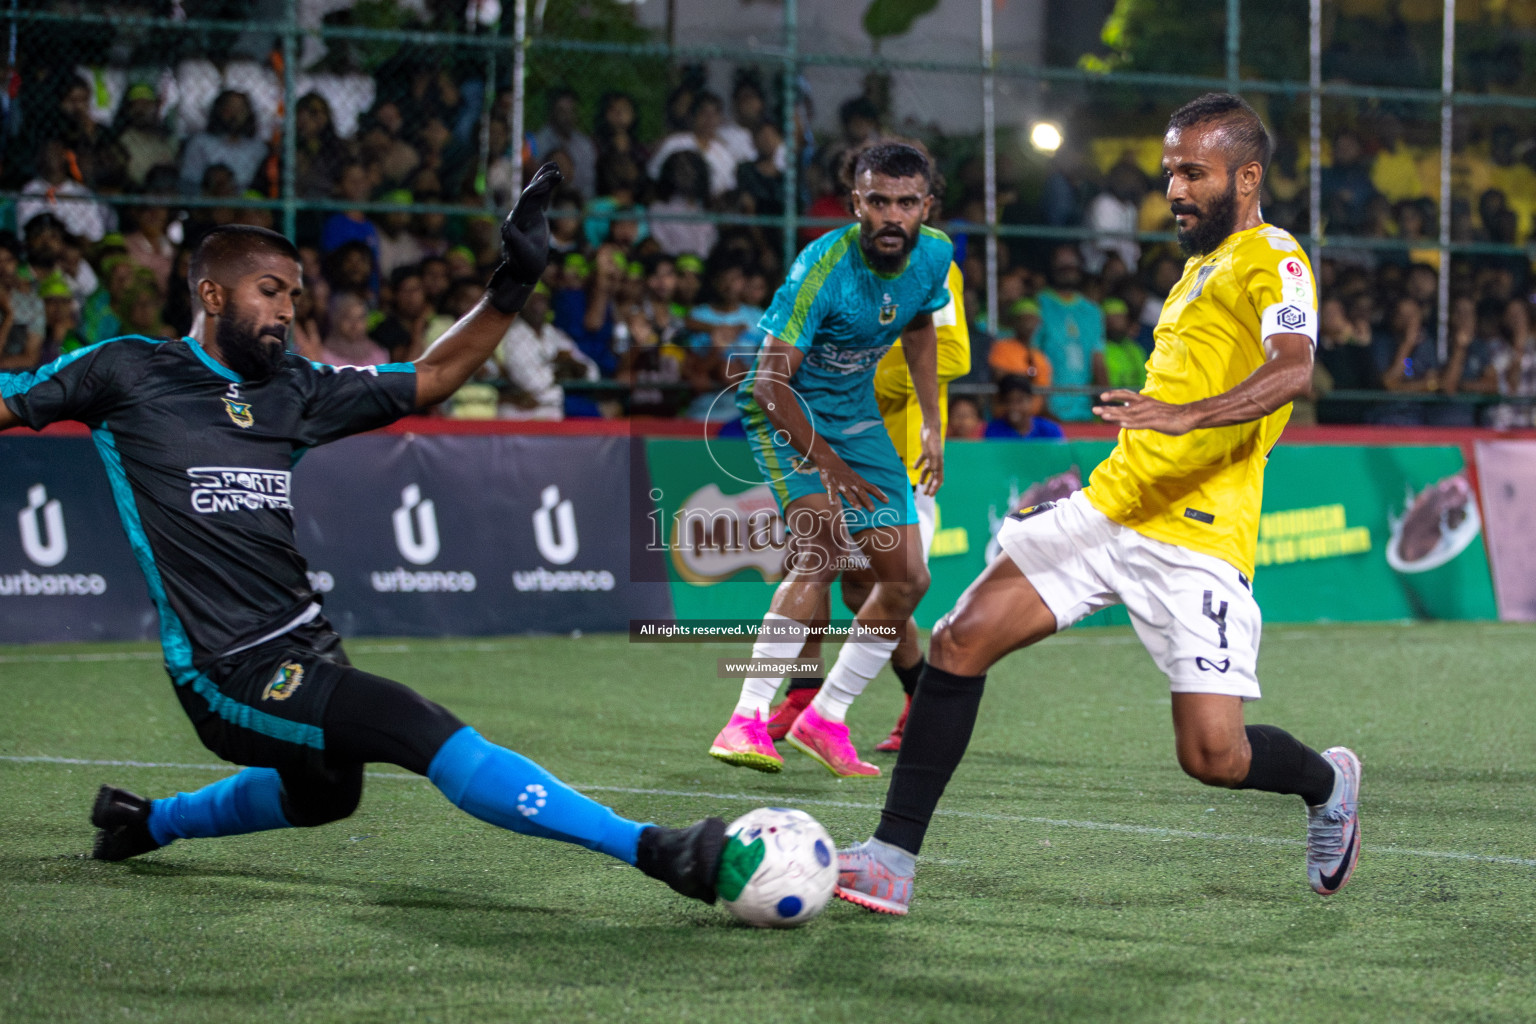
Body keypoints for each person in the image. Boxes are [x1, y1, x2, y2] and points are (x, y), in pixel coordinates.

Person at [0, 167, 730, 906]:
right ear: (212, 294)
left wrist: (510, 285)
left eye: (293, 293)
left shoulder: (294, 387)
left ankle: (146, 823)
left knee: (326, 797)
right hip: (225, 672)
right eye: (269, 290)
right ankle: (654, 849)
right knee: (417, 726)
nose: (287, 308)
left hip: (307, 642)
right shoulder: (126, 371)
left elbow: (435, 373)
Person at [836, 94, 1361, 916]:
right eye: (1170, 172)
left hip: (1197, 536)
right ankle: (890, 859)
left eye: (1194, 172)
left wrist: (1186, 416)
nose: (1175, 190)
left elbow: (1294, 369)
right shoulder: (1197, 271)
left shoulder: (1276, 256)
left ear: (1247, 176)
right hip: (1110, 507)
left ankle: (1329, 784)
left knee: (1212, 756)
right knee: (959, 638)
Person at [707, 142, 953, 778]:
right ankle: (746, 718)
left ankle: (826, 716)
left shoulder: (936, 256)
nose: (891, 215)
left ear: (926, 205)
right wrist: (830, 467)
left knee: (906, 579)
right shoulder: (822, 267)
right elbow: (767, 383)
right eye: (877, 202)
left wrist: (932, 422)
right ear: (856, 204)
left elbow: (922, 327)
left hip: (857, 416)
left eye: (905, 202)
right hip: (785, 413)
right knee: (818, 553)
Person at [765, 250, 971, 753]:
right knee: (810, 559)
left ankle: (914, 695)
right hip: (834, 445)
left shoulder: (936, 268)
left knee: (871, 589)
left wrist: (855, 379)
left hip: (897, 455)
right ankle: (803, 693)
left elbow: (954, 353)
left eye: (906, 202)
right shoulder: (835, 268)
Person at [496, 281, 599, 420]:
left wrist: (570, 363)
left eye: (541, 300)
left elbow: (593, 373)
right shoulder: (512, 336)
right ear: (522, 306)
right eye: (531, 300)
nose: (537, 306)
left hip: (554, 408)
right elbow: (534, 382)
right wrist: (564, 368)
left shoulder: (556, 335)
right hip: (522, 412)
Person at [1035, 244, 1106, 422]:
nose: (1068, 269)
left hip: (1084, 412)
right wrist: (1039, 408)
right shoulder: (1039, 304)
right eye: (1062, 264)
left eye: (1072, 264)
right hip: (1048, 412)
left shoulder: (1092, 311)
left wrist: (1107, 408)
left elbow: (1098, 363)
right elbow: (1032, 358)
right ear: (1052, 268)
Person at [983, 374, 1064, 439]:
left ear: (1031, 400)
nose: (1014, 407)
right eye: (1008, 401)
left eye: (1020, 401)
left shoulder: (1050, 431)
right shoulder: (994, 431)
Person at [1101, 297, 1148, 391]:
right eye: (1111, 318)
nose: (1116, 322)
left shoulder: (1135, 349)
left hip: (1138, 399)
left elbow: (1145, 378)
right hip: (1110, 400)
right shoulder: (1098, 348)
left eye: (1120, 317)